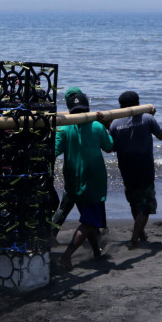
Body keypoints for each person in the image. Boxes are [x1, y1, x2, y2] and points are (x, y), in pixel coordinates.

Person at [55, 87, 114, 271]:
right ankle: (66, 256)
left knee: (90, 218)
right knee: (89, 221)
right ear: (87, 107)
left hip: (72, 180)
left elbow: (54, 151)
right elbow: (110, 147)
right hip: (93, 181)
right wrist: (107, 125)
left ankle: (96, 252)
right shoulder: (97, 126)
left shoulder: (64, 128)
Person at [108, 91, 162, 248]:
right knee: (146, 205)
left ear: (120, 106)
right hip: (144, 167)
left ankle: (141, 233)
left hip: (126, 168)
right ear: (138, 103)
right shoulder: (147, 118)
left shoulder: (115, 123)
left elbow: (111, 147)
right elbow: (161, 136)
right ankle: (134, 239)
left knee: (134, 202)